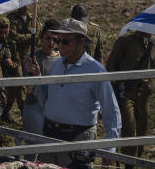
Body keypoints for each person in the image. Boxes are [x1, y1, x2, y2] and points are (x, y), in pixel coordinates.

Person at [29, 18, 121, 161]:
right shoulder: (57, 65)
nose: (59, 45)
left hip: (78, 138)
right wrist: (37, 80)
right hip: (50, 135)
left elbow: (111, 109)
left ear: (81, 41)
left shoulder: (96, 71)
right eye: (58, 41)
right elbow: (47, 100)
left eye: (65, 41)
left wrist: (110, 147)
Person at [105, 28, 155, 169]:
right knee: (129, 128)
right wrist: (108, 94)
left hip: (144, 94)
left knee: (141, 131)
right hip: (125, 91)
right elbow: (111, 64)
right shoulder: (125, 41)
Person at [21, 20, 61, 142]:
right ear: (41, 38)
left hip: (54, 107)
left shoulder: (62, 59)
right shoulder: (33, 58)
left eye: (55, 39)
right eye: (48, 38)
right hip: (35, 106)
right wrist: (32, 75)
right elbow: (29, 89)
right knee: (34, 146)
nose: (51, 42)